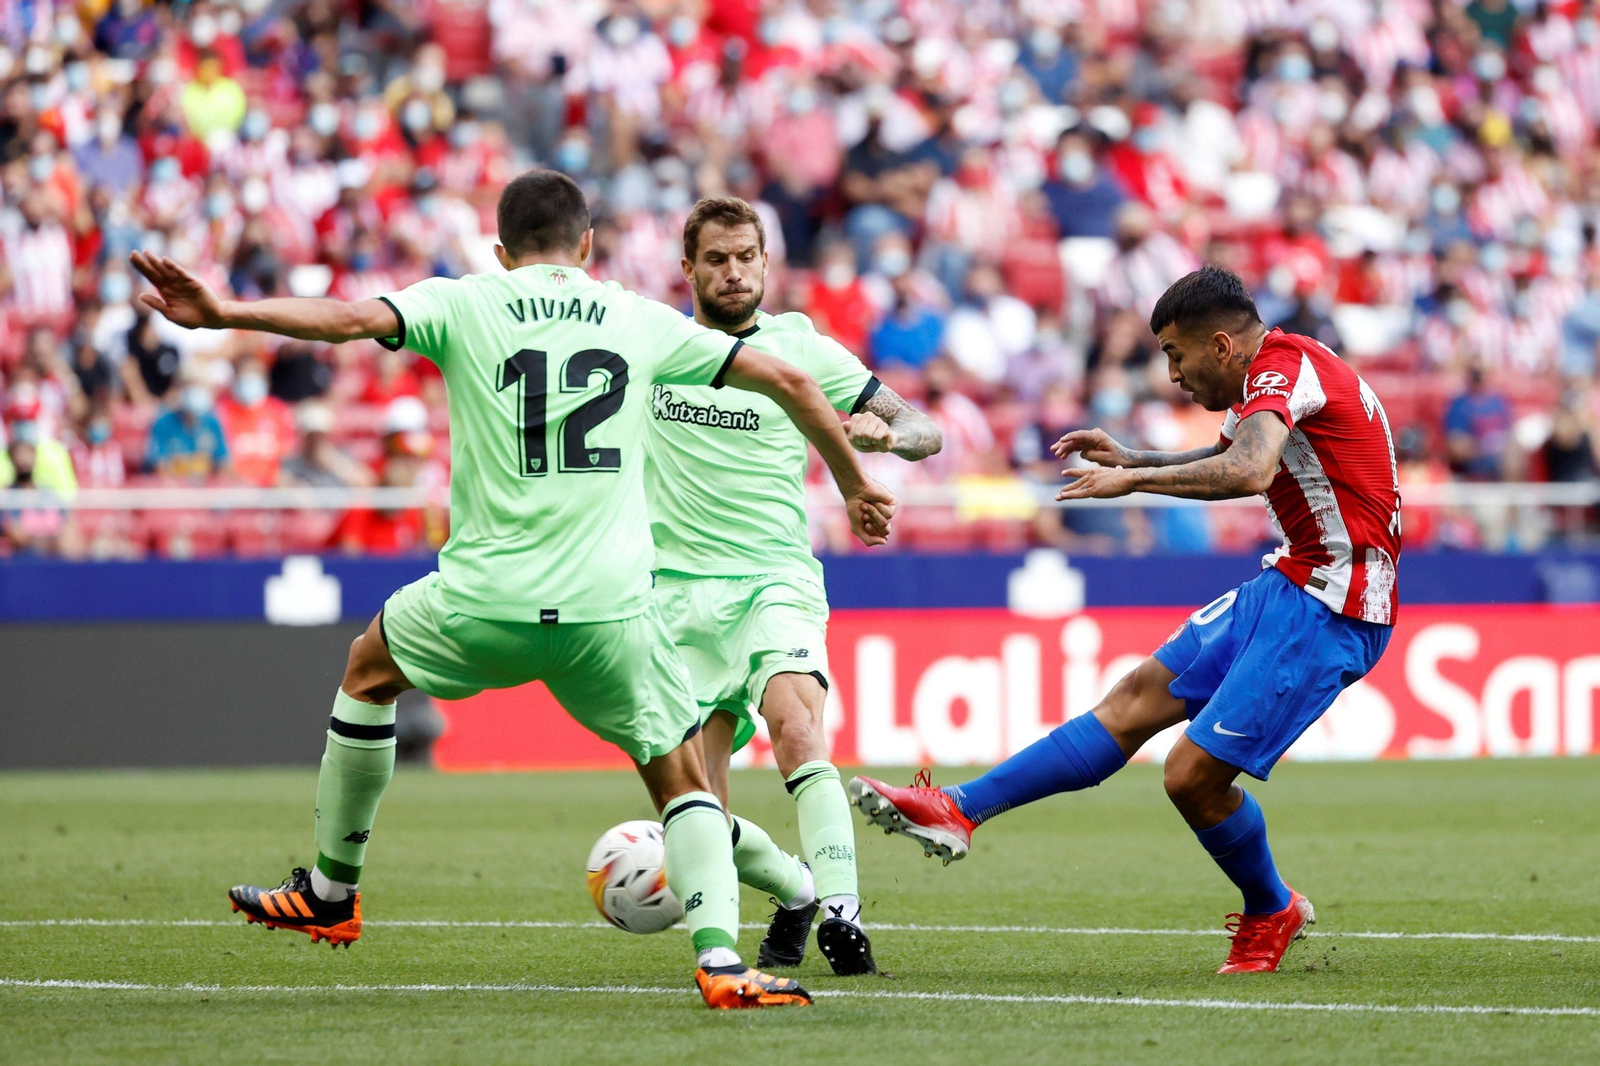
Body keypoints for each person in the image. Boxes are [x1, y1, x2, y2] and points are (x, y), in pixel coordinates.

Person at [129, 169, 894, 1010]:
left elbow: (345, 320)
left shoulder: (463, 301)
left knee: (367, 670)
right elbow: (791, 382)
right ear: (588, 244)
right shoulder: (638, 318)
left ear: (500, 250)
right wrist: (856, 482)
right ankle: (720, 961)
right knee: (684, 783)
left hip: (483, 599)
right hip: (610, 612)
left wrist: (225, 312)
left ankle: (332, 891)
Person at [850, 266, 1402, 975]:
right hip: (1293, 580)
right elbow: (1230, 454)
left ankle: (1272, 907)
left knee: (1189, 777)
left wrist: (1134, 479)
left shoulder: (1282, 369)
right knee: (1135, 697)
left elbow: (1249, 471)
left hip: (1334, 606)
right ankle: (957, 809)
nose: (1171, 374)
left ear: (1222, 345)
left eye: (1176, 354)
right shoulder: (1276, 371)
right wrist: (1136, 456)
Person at [647, 197, 942, 977]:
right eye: (717, 259)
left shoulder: (799, 347)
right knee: (695, 810)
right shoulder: (655, 345)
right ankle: (797, 887)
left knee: (796, 726)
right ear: (689, 269)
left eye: (746, 257)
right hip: (673, 598)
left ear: (766, 263)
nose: (733, 272)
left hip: (772, 580)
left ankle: (843, 915)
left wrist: (888, 436)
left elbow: (925, 429)